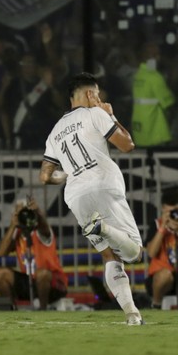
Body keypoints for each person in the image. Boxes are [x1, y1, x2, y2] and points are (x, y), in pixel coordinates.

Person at [38, 72, 144, 325]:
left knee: (109, 257)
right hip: (104, 187)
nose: (99, 99)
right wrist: (112, 115)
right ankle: (104, 227)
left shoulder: (55, 132)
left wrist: (64, 177)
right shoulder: (96, 113)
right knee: (134, 254)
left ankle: (132, 314)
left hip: (76, 196)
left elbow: (44, 176)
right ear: (89, 94)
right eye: (97, 94)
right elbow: (127, 145)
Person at [0, 198, 68, 310]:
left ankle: (43, 311)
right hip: (30, 281)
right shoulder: (17, 234)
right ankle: (10, 312)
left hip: (53, 282)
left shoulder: (41, 231)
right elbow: (1, 253)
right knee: (1, 273)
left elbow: (44, 226)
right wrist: (13, 225)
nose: (25, 215)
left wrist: (37, 212)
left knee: (41, 274)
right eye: (21, 213)